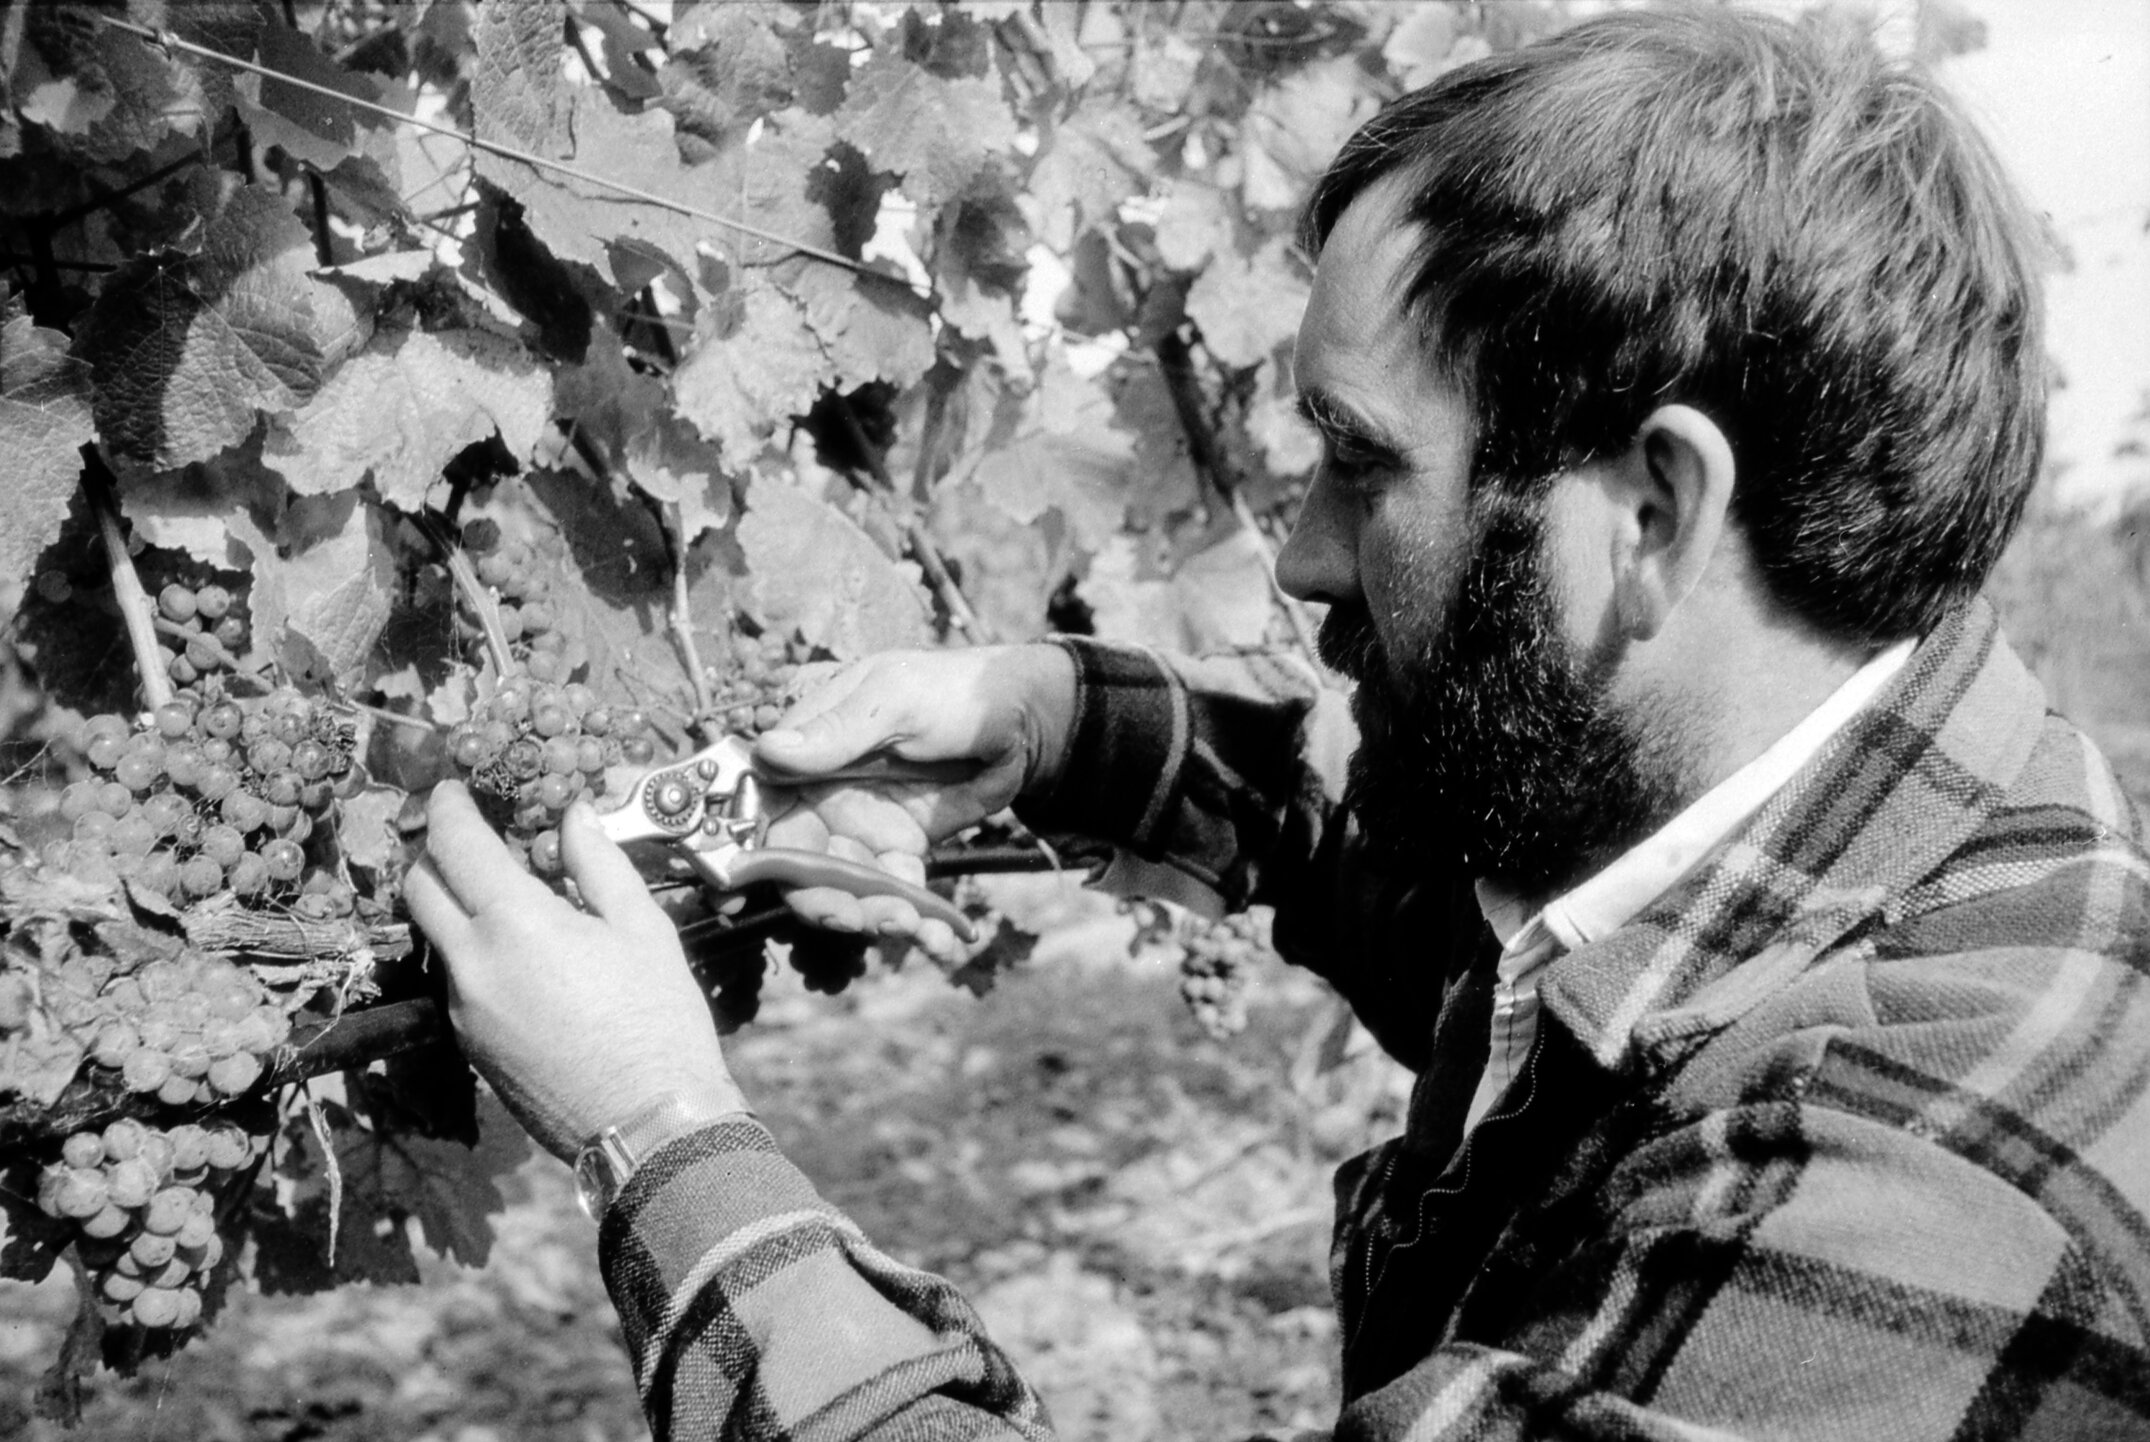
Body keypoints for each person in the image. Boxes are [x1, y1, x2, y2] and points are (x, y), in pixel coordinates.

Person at [405, 7, 2150, 1440]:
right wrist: (1043, 723)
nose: (1301, 551)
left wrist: (659, 1130)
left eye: (1363, 461)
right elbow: (1380, 871)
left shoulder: (1917, 1190)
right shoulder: (1833, 821)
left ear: (1655, 512)